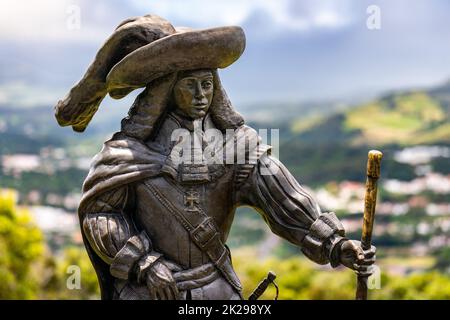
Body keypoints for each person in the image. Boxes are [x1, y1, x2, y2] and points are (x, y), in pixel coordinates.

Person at [55, 15, 375, 300]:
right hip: (150, 292)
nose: (201, 96)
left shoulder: (237, 148)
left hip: (218, 290)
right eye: (189, 86)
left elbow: (284, 199)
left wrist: (336, 245)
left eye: (207, 85)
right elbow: (101, 215)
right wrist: (146, 263)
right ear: (165, 92)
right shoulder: (126, 154)